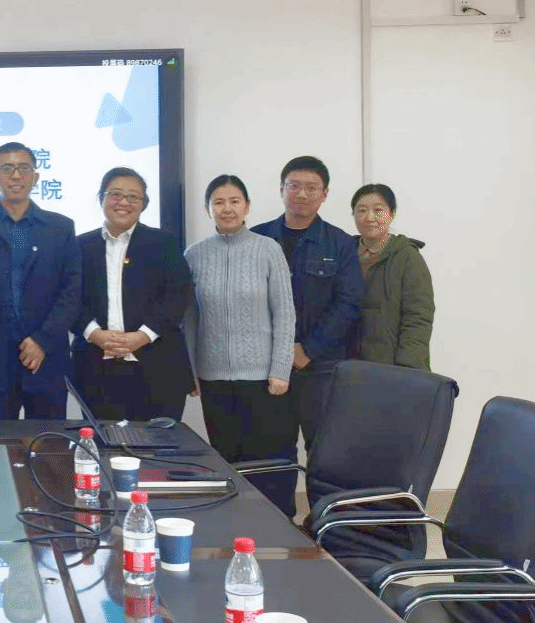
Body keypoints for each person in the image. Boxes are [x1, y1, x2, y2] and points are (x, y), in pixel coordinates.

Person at [184, 175, 298, 516]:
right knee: (227, 461)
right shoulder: (194, 255)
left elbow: (285, 312)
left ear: (247, 206)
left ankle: (280, 526)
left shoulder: (268, 249)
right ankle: (237, 525)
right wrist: (191, 371)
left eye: (234, 201)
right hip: (214, 379)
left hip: (264, 379)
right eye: (218, 202)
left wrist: (281, 369)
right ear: (208, 209)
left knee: (269, 463)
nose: (227, 208)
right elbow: (189, 320)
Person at [0, 142, 81, 420]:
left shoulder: (60, 227)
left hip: (46, 358)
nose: (16, 175)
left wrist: (42, 340)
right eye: (7, 168)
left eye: (24, 168)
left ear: (36, 177)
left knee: (49, 441)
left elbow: (71, 292)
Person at [251, 155, 362, 450]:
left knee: (325, 451)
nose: (301, 194)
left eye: (311, 188)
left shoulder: (340, 243)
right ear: (281, 189)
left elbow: (348, 303)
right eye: (294, 186)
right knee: (271, 452)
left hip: (322, 367)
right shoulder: (256, 238)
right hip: (266, 365)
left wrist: (307, 349)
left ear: (324, 194)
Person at [73, 167, 195, 421]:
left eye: (133, 197)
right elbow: (69, 297)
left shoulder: (164, 243)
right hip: (96, 369)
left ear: (144, 203)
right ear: (101, 199)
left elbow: (178, 295)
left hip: (158, 367)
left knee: (160, 445)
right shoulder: (79, 246)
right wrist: (95, 334)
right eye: (116, 194)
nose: (124, 202)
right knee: (105, 441)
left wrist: (142, 336)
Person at [350, 183, 435, 370]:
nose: (369, 217)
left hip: (393, 366)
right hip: (348, 366)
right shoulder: (344, 253)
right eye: (361, 210)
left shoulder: (407, 257)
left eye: (378, 210)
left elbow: (418, 317)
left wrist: (408, 367)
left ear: (392, 214)